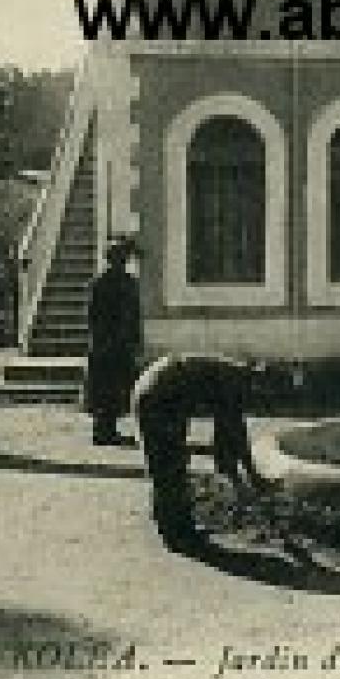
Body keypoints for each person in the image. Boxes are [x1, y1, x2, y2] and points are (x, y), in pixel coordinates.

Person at [130, 351, 268, 551]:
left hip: (157, 389)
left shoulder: (232, 372)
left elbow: (226, 439)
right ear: (258, 380)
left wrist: (238, 476)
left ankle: (173, 525)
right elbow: (233, 436)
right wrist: (251, 477)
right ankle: (176, 533)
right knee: (169, 463)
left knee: (167, 462)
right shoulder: (234, 382)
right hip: (159, 395)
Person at [83, 236, 144, 446]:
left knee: (113, 389)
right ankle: (103, 431)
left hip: (113, 344)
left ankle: (107, 429)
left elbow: (133, 315)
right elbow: (93, 315)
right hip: (110, 345)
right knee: (107, 389)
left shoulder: (117, 283)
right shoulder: (106, 284)